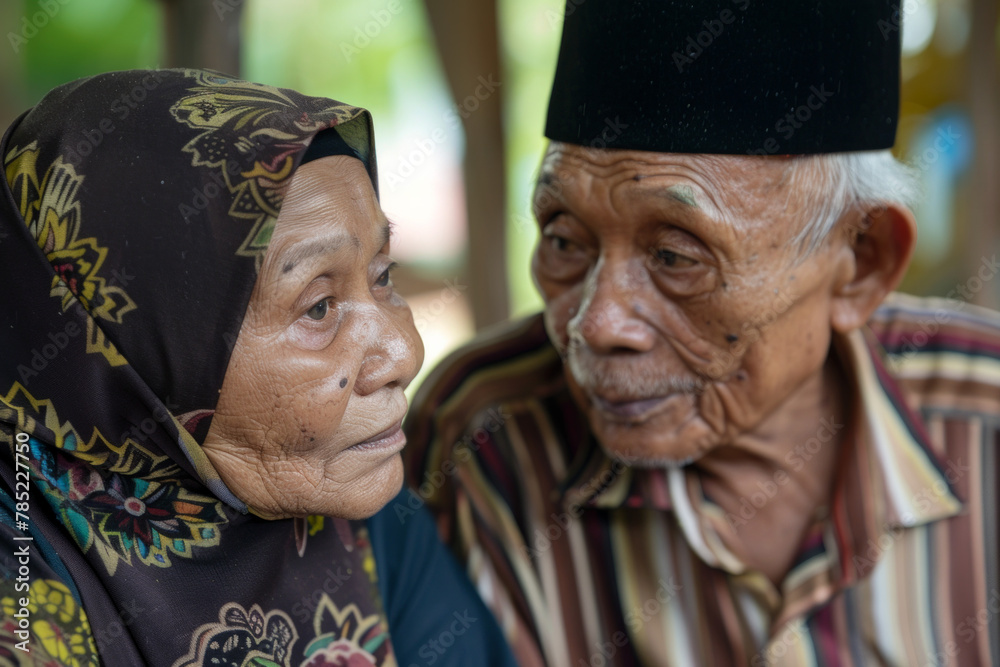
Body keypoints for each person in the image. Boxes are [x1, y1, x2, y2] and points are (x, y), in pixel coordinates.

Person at [402, 1, 1000, 665]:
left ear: (862, 260)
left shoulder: (987, 417)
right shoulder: (481, 435)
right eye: (566, 240)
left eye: (675, 257)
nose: (596, 324)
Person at [0, 68, 517, 667]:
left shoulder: (366, 511)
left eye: (384, 275)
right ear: (126, 345)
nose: (404, 353)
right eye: (318, 307)